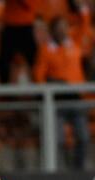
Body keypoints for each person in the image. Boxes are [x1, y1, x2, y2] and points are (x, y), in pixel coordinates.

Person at [33, 13, 91, 169]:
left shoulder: (75, 43)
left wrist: (83, 10)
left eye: (65, 28)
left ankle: (78, 169)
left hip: (77, 97)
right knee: (57, 139)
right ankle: (61, 170)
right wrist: (50, 85)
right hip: (57, 100)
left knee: (83, 136)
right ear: (52, 31)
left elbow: (84, 29)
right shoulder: (46, 50)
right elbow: (38, 75)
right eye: (59, 29)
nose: (63, 31)